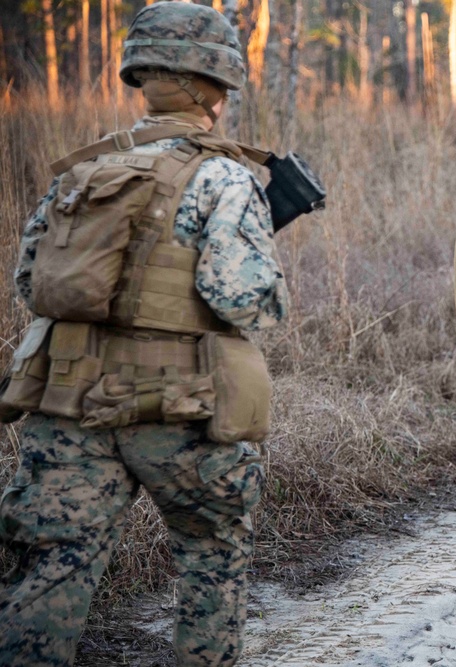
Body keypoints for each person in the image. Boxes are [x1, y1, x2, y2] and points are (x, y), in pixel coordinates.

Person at [0, 3, 288, 666]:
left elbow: (27, 283)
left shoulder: (80, 173)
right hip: (180, 410)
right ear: (216, 87)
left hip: (68, 405)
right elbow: (243, 300)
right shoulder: (225, 176)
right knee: (211, 557)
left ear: (142, 75)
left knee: (46, 574)